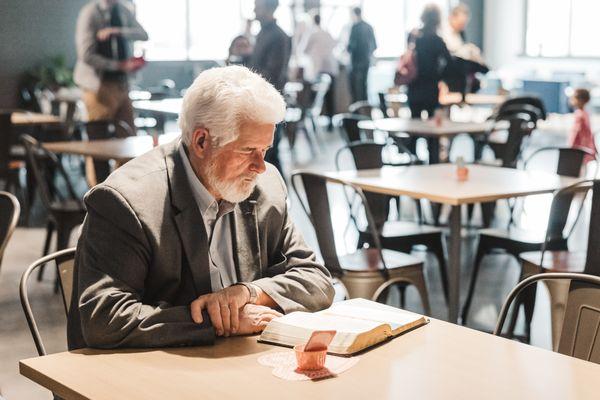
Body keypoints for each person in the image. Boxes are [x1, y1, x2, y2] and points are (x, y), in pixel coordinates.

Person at [67, 66, 334, 350]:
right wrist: (217, 321)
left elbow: (316, 280)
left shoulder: (266, 186)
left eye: (265, 150)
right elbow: (103, 318)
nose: (260, 166)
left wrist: (250, 293)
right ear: (201, 141)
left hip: (237, 367)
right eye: (247, 150)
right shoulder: (126, 201)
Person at [74, 0, 148, 181]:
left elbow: (143, 34)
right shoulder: (90, 13)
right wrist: (118, 65)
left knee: (128, 137)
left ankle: (124, 187)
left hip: (122, 85)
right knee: (98, 143)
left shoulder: (122, 10)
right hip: (98, 87)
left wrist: (118, 31)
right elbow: (86, 55)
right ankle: (97, 191)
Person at [249, 0, 292, 174]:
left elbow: (274, 74)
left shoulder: (279, 36)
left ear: (268, 9)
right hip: (259, 101)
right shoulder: (263, 33)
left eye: (257, 6)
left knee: (270, 154)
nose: (254, 10)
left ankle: (279, 196)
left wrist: (247, 74)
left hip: (269, 104)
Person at [406, 4, 452, 121]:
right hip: (431, 86)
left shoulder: (413, 36)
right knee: (432, 128)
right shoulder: (438, 41)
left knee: (414, 126)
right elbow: (449, 62)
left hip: (414, 85)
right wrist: (440, 76)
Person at [300, 14, 338, 128]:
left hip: (317, 69)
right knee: (329, 97)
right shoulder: (327, 33)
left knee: (312, 98)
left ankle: (308, 121)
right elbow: (334, 45)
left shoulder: (311, 34)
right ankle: (330, 122)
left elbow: (303, 50)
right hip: (330, 67)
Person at [441, 3, 488, 96]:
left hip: (459, 71)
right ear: (452, 17)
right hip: (448, 72)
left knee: (483, 68)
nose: (462, 26)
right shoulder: (443, 32)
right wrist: (467, 51)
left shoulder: (460, 34)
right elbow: (451, 52)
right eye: (461, 23)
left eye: (464, 23)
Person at [347, 7, 377, 102]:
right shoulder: (369, 26)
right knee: (364, 86)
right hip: (366, 61)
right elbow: (374, 45)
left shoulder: (355, 27)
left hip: (356, 62)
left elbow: (351, 46)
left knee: (355, 88)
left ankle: (357, 112)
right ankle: (365, 110)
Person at [568, 88, 597, 163]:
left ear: (578, 100)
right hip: (586, 150)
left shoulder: (579, 115)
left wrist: (570, 149)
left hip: (578, 151)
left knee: (576, 172)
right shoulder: (585, 114)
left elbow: (575, 133)